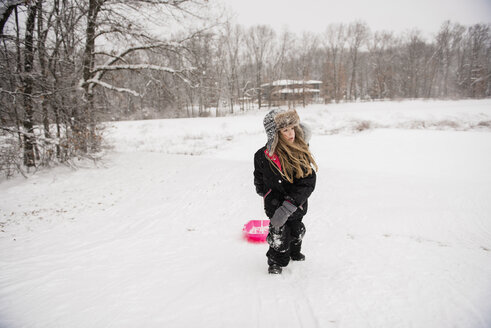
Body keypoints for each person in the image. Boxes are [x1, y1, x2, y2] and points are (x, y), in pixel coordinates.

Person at [253, 108, 318, 274]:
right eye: (285, 130)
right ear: (274, 133)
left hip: (296, 206)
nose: (291, 134)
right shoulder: (262, 156)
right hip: (275, 208)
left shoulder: (299, 153)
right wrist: (262, 190)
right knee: (279, 236)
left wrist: (290, 205)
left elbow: (307, 182)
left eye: (292, 128)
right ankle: (275, 261)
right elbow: (259, 175)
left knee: (296, 231)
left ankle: (295, 251)